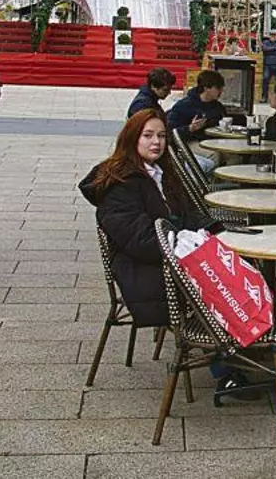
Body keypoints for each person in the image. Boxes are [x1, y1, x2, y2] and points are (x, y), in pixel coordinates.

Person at [77, 110, 255, 396]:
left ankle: (243, 342)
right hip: (144, 269)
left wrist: (217, 232)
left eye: (161, 136)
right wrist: (191, 249)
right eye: (147, 136)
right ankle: (225, 366)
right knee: (212, 282)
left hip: (170, 255)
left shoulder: (161, 173)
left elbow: (188, 214)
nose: (156, 142)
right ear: (131, 139)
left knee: (236, 265)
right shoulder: (119, 183)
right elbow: (141, 240)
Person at [167, 70, 226, 141]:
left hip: (214, 142)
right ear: (206, 88)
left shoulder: (218, 107)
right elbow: (170, 133)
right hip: (190, 143)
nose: (221, 91)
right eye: (218, 88)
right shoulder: (183, 106)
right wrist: (190, 128)